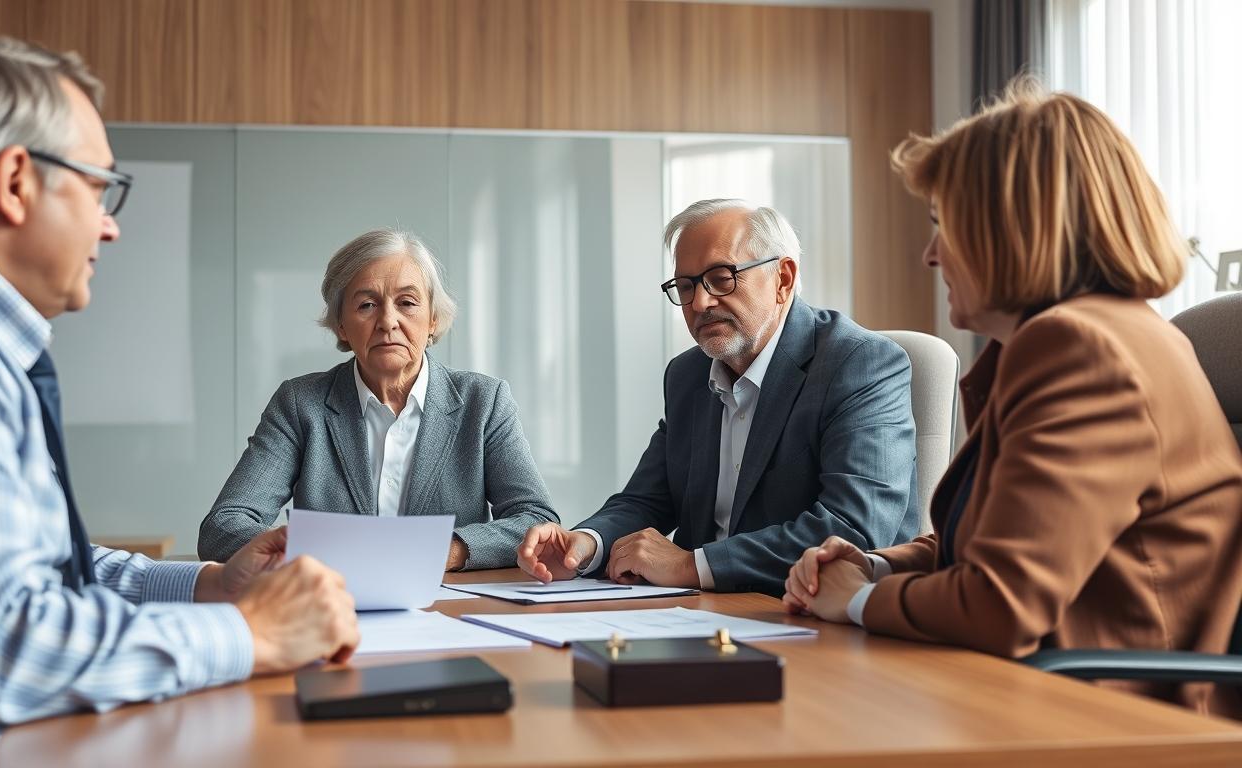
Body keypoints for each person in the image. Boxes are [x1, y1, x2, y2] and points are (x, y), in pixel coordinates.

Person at [0, 31, 359, 766]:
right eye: (98, 186)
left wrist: (210, 586)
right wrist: (252, 635)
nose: (109, 225)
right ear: (16, 181)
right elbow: (5, 652)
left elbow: (50, 567)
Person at [784, 78, 1242, 717]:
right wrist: (870, 565)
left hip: (1119, 716)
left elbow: (1003, 605)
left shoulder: (1082, 349)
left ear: (1008, 227)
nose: (931, 254)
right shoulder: (1077, 338)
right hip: (1039, 689)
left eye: (944, 223)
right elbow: (987, 547)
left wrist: (854, 601)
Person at [517, 199, 920, 596]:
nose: (700, 303)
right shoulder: (687, 375)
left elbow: (854, 528)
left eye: (722, 278)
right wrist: (584, 545)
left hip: (815, 616)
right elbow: (648, 498)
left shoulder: (859, 363)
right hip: (702, 615)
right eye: (686, 286)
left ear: (783, 279)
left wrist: (691, 565)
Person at [198, 229, 558, 570]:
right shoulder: (300, 404)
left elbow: (536, 519)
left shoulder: (484, 402)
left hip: (448, 610)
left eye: (407, 302)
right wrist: (314, 554)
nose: (388, 321)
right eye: (367, 305)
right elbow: (223, 526)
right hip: (333, 607)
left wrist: (447, 550)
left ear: (432, 318)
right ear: (341, 325)